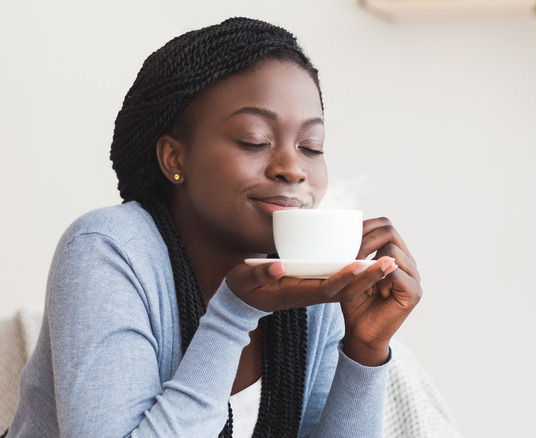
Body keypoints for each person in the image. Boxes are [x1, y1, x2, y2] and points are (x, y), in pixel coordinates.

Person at [6, 17, 422, 438]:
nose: (293, 168)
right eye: (254, 139)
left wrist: (365, 351)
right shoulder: (106, 249)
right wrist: (234, 313)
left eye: (311, 146)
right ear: (174, 158)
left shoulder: (313, 284)